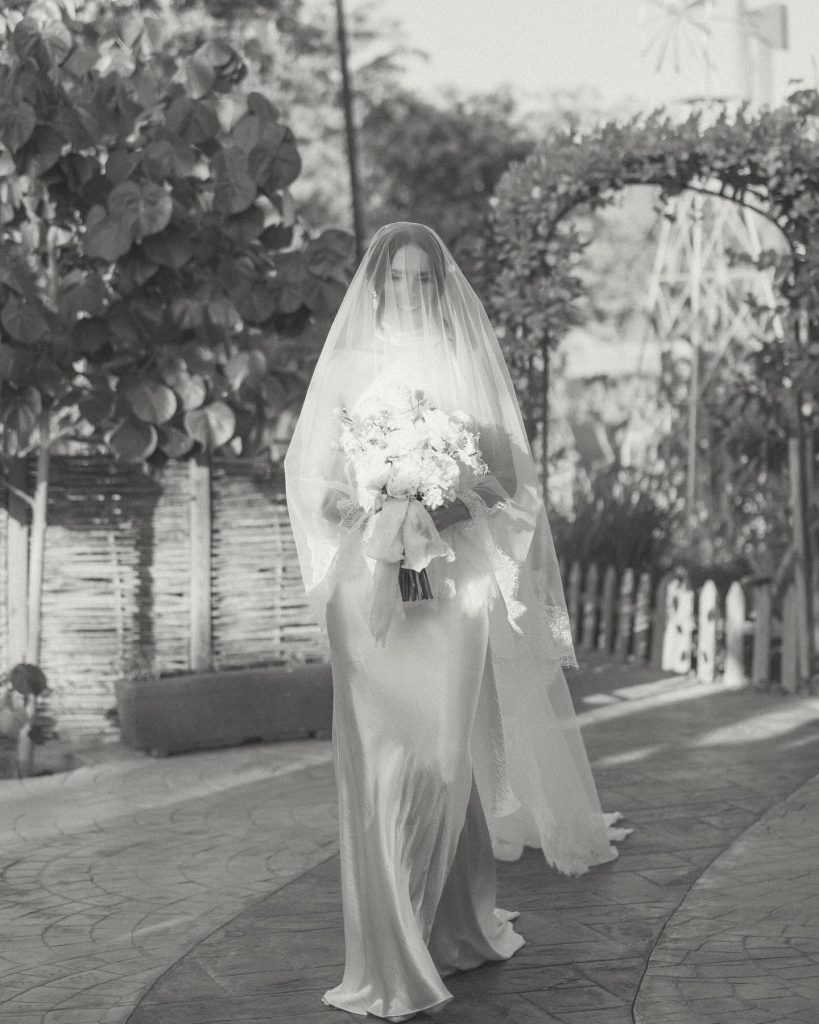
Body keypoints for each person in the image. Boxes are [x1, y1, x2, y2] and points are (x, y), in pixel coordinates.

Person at [284, 222, 630, 1021]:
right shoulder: (344, 365)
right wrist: (365, 503)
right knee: (379, 761)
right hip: (368, 591)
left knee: (443, 759)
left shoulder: (461, 361)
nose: (409, 291)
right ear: (376, 287)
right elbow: (309, 475)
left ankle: (455, 925)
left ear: (441, 285)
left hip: (447, 587)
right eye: (396, 280)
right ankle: (389, 956)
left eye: (423, 279)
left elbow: (508, 475)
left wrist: (441, 498)